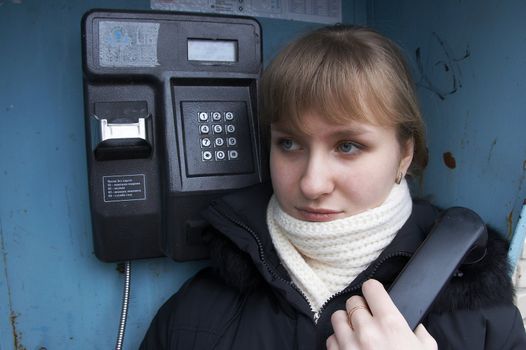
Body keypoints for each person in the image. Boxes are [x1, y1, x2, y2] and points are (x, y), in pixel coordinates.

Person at [140, 25, 526, 349]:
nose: (312, 183)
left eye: (347, 146)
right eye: (289, 143)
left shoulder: (479, 313)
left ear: (404, 155)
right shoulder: (199, 311)